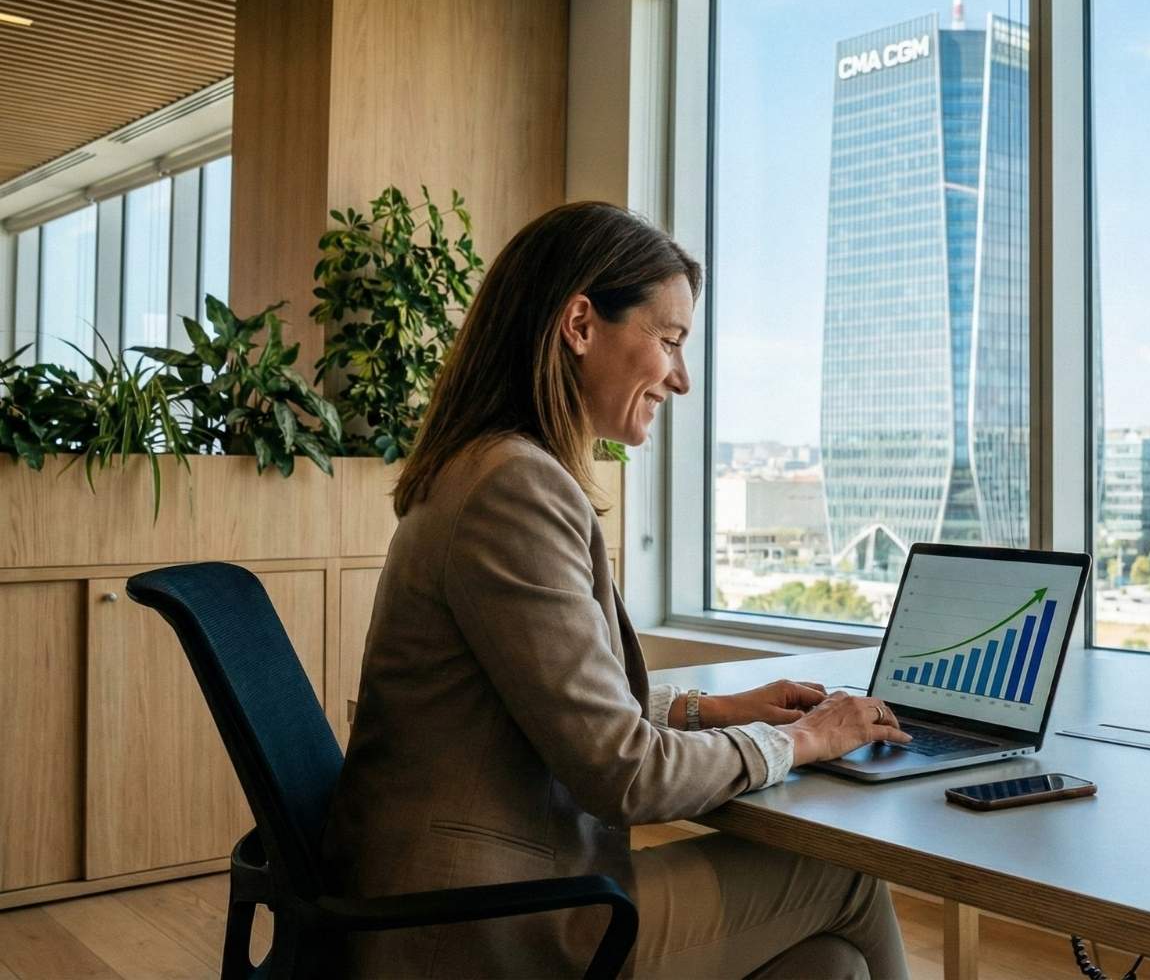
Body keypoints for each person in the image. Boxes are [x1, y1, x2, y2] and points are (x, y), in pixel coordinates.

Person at [322, 202, 912, 979]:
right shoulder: (514, 490)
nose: (682, 377)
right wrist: (808, 738)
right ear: (580, 323)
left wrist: (714, 710)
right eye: (668, 341)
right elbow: (622, 771)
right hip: (477, 926)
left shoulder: (491, 468)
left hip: (459, 893)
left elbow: (549, 698)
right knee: (847, 878)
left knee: (830, 967)